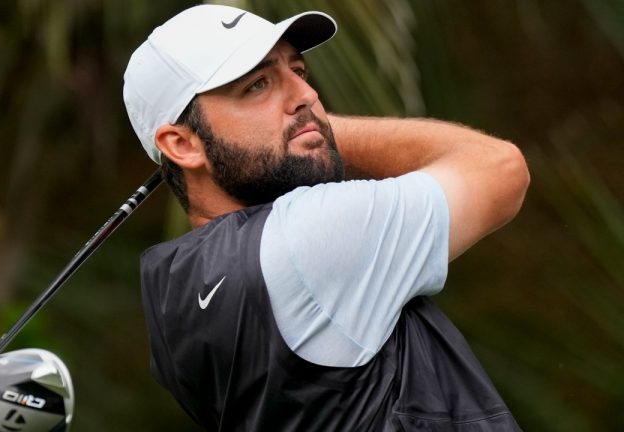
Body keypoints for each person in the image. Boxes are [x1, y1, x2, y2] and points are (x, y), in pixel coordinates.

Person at [123, 4, 529, 431]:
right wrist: (317, 127)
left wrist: (295, 127)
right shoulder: (305, 237)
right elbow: (499, 169)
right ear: (182, 145)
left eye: (298, 72)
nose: (308, 96)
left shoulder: (172, 292)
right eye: (258, 85)